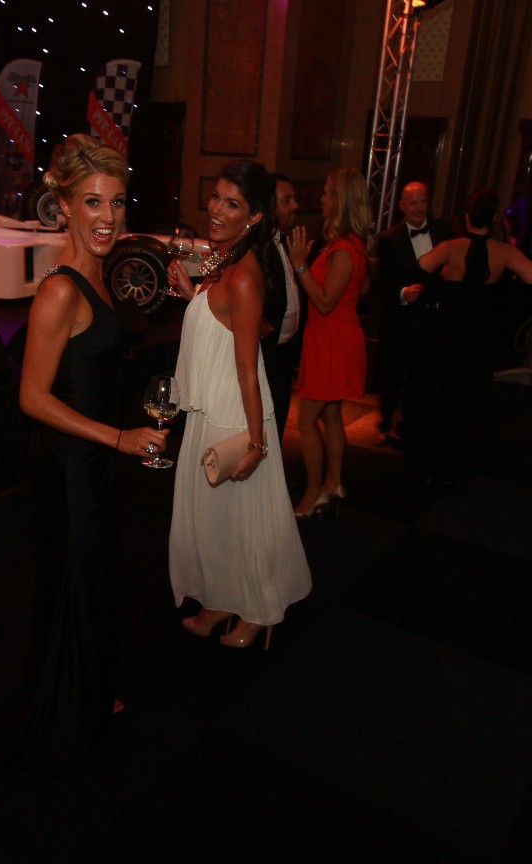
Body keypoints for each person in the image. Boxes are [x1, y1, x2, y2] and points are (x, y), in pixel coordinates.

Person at [1, 134, 167, 773]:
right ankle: (66, 709)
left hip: (92, 457)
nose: (108, 217)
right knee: (76, 573)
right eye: (93, 202)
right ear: (64, 205)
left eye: (117, 202)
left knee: (95, 574)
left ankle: (91, 688)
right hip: (71, 461)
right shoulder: (60, 290)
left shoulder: (101, 269)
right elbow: (31, 398)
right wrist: (119, 438)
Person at [164, 160, 311, 649]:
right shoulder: (224, 260)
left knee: (243, 522)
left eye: (232, 204)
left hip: (231, 413)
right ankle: (223, 600)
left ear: (254, 216)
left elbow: (249, 367)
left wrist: (256, 443)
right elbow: (220, 322)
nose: (217, 210)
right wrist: (192, 295)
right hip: (210, 408)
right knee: (215, 522)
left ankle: (260, 610)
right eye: (216, 197)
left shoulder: (244, 274)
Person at [407, 187, 532, 481]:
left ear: (466, 216)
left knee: (440, 395)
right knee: (470, 398)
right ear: (493, 218)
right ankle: (464, 460)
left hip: (446, 334)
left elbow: (421, 266)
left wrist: (445, 272)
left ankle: (432, 459)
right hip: (478, 337)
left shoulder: (451, 246)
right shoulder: (503, 251)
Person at [287, 167, 373, 518]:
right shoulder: (350, 245)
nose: (321, 198)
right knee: (332, 414)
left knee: (307, 422)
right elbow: (362, 289)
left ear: (340, 200)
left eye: (326, 192)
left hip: (332, 343)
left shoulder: (344, 250)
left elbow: (324, 302)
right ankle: (333, 482)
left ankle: (312, 494)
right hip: (334, 338)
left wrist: (300, 266)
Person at [372, 181, 452, 446]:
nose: (419, 208)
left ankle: (414, 424)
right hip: (401, 319)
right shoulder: (388, 238)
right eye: (414, 203)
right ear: (402, 206)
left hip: (434, 318)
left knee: (425, 374)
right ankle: (385, 423)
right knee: (393, 374)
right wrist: (402, 292)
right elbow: (379, 282)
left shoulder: (443, 230)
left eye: (423, 202)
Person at [260, 173, 302, 443]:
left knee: (277, 427)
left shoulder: (283, 241)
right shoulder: (259, 245)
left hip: (283, 353)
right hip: (265, 354)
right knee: (263, 430)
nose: (295, 205)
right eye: (287, 200)